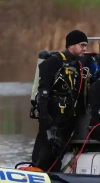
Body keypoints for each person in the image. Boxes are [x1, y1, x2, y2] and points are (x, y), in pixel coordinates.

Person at [31, 30, 90, 171]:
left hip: (69, 119)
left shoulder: (78, 64)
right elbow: (43, 90)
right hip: (53, 117)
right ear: (71, 45)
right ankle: (36, 172)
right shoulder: (54, 61)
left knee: (59, 153)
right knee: (44, 151)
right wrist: (45, 116)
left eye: (86, 45)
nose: (85, 48)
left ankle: (54, 175)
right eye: (82, 45)